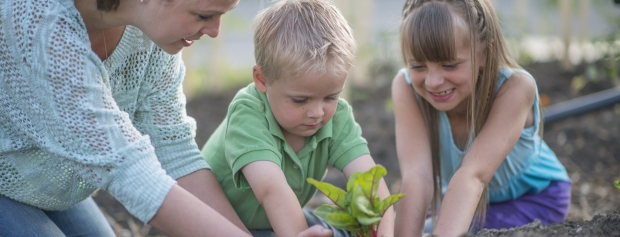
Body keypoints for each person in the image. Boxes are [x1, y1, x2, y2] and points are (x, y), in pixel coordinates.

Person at [0, 0, 333, 236]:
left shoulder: (150, 36)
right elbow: (128, 168)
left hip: (43, 182)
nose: (216, 31)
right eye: (204, 14)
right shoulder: (39, 24)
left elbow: (175, 152)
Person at [200, 0, 395, 236]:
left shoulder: (337, 116)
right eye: (300, 101)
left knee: (339, 231)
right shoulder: (248, 113)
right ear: (262, 79)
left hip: (282, 222)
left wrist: (382, 233)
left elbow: (368, 181)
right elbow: (271, 190)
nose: (317, 112)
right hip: (225, 226)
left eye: (331, 97)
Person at [391, 0, 572, 236]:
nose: (433, 81)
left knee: (461, 231)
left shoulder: (514, 88)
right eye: (418, 66)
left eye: (449, 64)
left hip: (534, 197)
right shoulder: (406, 87)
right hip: (462, 198)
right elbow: (418, 175)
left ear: (485, 52)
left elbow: (473, 175)